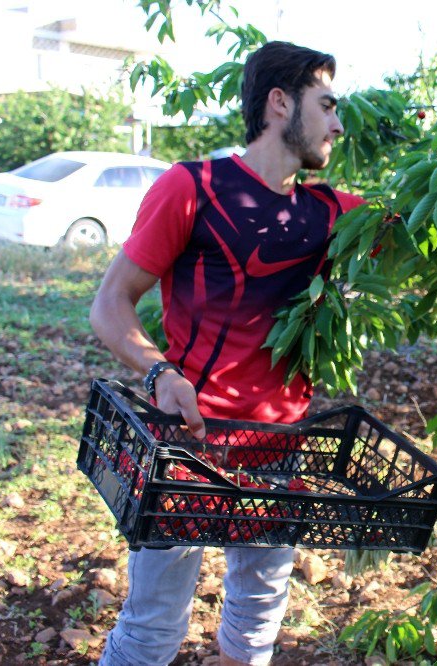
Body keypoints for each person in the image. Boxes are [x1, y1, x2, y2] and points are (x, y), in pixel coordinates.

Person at [90, 41, 364, 666]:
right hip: (190, 447)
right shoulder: (195, 188)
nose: (338, 124)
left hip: (277, 451)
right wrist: (158, 371)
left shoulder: (331, 213)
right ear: (279, 103)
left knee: (255, 626)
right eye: (327, 106)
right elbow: (110, 302)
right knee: (153, 629)